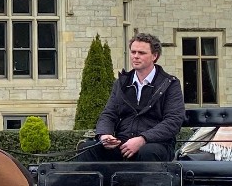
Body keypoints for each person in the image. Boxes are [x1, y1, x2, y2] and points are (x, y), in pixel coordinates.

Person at [79, 32, 185, 161]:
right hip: (122, 142)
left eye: (141, 53)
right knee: (88, 148)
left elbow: (173, 121)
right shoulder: (121, 83)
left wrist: (142, 139)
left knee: (148, 152)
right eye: (133, 52)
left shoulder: (170, 84)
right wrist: (104, 135)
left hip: (156, 144)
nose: (135, 56)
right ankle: (94, 182)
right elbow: (108, 114)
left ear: (154, 56)